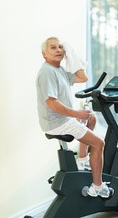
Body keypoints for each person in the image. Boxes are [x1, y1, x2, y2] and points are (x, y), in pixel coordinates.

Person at [36, 36, 110, 198]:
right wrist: (77, 114)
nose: (58, 50)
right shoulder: (47, 71)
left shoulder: (59, 69)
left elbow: (83, 78)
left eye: (61, 47)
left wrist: (71, 54)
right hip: (57, 122)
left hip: (62, 119)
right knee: (98, 143)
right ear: (44, 54)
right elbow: (52, 103)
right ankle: (97, 187)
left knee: (91, 118)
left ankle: (83, 158)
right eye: (53, 47)